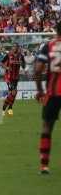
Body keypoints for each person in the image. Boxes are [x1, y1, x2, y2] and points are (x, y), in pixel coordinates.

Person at [35, 21, 61, 175]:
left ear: (56, 31)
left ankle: (44, 165)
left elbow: (38, 69)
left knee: (47, 127)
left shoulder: (48, 46)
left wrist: (39, 91)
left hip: (52, 93)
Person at [1, 43, 25, 116]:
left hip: (16, 77)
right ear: (12, 48)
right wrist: (7, 68)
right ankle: (5, 108)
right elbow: (2, 63)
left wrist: (22, 64)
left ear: (18, 48)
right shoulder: (9, 55)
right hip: (9, 77)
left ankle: (8, 108)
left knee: (13, 94)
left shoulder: (21, 56)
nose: (15, 48)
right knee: (14, 92)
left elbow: (24, 65)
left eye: (16, 47)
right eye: (13, 47)